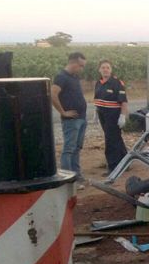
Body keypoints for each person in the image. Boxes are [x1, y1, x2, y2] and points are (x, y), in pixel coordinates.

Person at [51, 52, 88, 186]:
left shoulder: (74, 77)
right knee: (69, 149)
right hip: (71, 120)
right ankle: (68, 180)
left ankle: (76, 176)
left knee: (76, 148)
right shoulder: (61, 77)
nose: (81, 69)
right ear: (73, 63)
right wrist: (63, 112)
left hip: (81, 118)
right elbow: (53, 94)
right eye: (80, 65)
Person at [93, 59, 129, 173]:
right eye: (103, 67)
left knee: (110, 140)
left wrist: (122, 116)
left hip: (113, 115)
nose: (105, 70)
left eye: (107, 67)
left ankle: (113, 166)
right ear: (99, 70)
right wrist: (96, 113)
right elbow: (97, 99)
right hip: (102, 114)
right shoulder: (98, 83)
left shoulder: (117, 83)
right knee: (116, 138)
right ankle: (125, 162)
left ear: (111, 70)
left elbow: (124, 101)